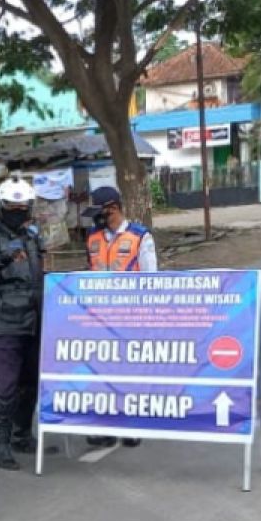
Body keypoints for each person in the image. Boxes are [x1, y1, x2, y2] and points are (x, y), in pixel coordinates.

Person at [0, 177, 50, 471]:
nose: (18, 211)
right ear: (0, 208)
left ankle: (21, 435)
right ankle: (0, 446)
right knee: (6, 385)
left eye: (22, 207)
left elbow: (42, 276)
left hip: (35, 320)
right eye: (12, 207)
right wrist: (3, 259)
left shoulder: (33, 238)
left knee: (30, 382)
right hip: (4, 321)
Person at [81, 185, 158, 449]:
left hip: (131, 317)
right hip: (100, 319)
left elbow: (151, 278)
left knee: (130, 373)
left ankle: (131, 424)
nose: (95, 218)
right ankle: (104, 426)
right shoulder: (92, 237)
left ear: (112, 208)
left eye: (99, 212)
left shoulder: (139, 236)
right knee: (102, 372)